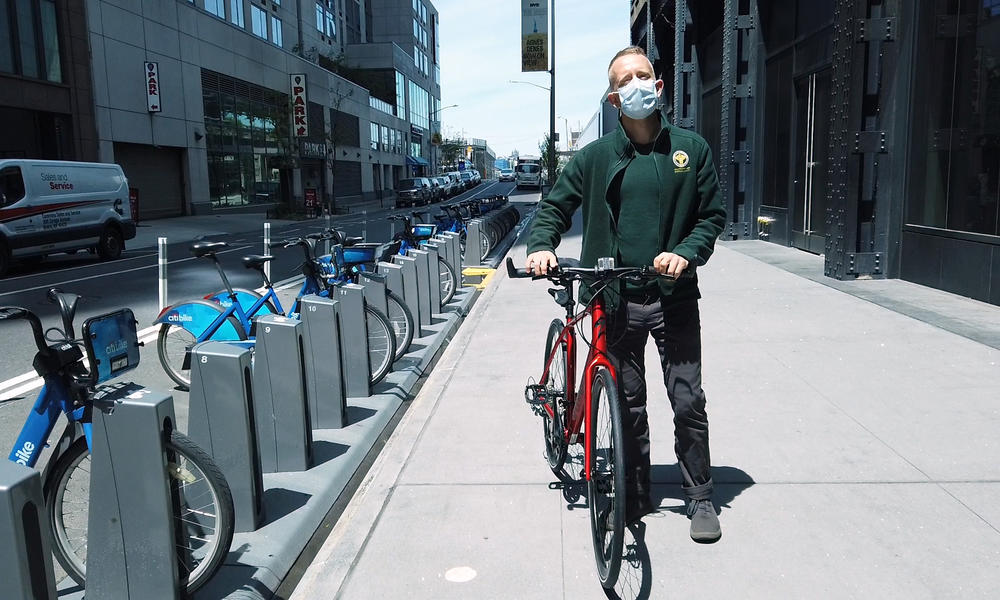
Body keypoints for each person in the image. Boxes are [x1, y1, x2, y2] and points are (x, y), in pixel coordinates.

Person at [524, 46, 726, 542]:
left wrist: (685, 252)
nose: (637, 83)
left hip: (673, 297)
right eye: (625, 79)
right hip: (613, 300)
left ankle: (700, 496)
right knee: (628, 401)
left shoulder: (690, 150)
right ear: (614, 99)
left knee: (687, 400)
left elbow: (712, 217)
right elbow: (554, 209)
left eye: (644, 75)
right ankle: (634, 491)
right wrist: (540, 247)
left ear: (658, 86)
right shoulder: (594, 158)